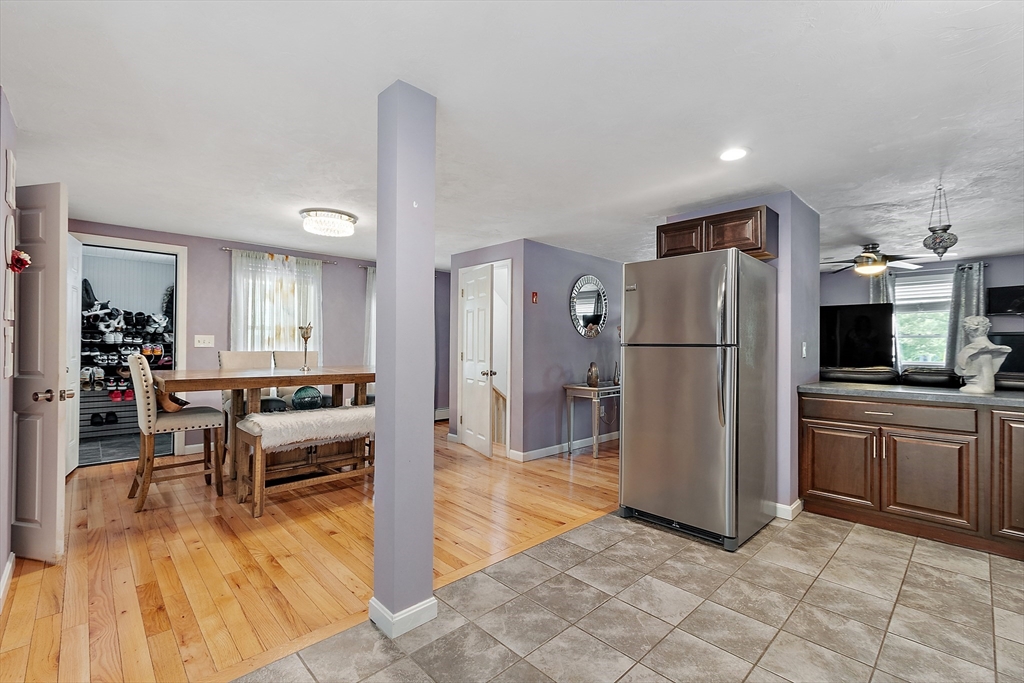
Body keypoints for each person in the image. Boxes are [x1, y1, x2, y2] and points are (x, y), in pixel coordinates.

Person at [955, 316, 1012, 394]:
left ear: (966, 331)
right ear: (987, 329)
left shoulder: (982, 352)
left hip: (978, 390)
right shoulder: (976, 350)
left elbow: (988, 388)